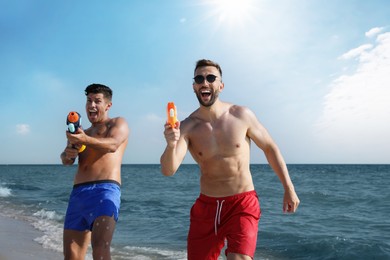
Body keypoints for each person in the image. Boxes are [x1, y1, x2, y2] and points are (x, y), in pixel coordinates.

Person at [160, 59, 300, 260]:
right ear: (194, 87)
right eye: (199, 78)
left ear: (221, 85)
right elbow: (168, 170)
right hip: (206, 207)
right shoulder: (187, 127)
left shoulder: (241, 115)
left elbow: (270, 148)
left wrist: (288, 187)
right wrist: (171, 144)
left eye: (211, 78)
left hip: (242, 202)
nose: (205, 83)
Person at [60, 83, 129, 260]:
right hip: (78, 195)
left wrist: (84, 139)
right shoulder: (83, 133)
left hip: (105, 191)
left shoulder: (117, 123)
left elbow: (113, 145)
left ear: (108, 105)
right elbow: (66, 160)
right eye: (89, 101)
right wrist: (68, 153)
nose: (91, 105)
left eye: (97, 101)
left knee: (100, 249)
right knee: (71, 257)